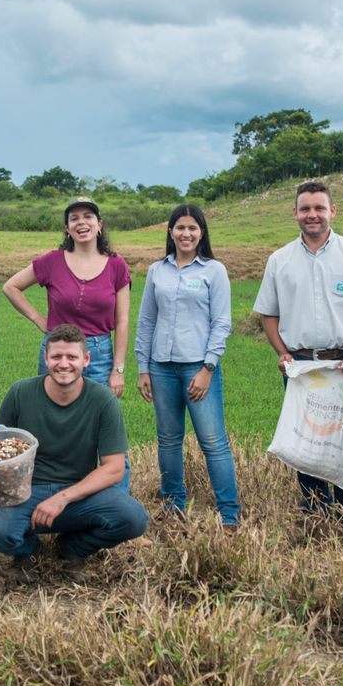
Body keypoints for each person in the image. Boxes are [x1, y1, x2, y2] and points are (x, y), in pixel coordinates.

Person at [0, 325, 149, 582]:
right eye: (56, 356)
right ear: (45, 358)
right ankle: (29, 551)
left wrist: (62, 498)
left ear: (86, 360)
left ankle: (73, 548)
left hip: (78, 494)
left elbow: (115, 468)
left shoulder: (103, 400)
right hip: (25, 492)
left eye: (71, 357)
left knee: (133, 518)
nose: (64, 364)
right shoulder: (21, 393)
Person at [254, 180, 343, 514]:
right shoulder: (279, 260)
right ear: (295, 213)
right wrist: (282, 352)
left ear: (333, 211)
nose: (311, 215)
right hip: (302, 368)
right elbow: (268, 314)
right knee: (306, 444)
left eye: (318, 208)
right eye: (305, 209)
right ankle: (315, 509)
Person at [2, 195, 133, 491]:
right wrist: (40, 321)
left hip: (98, 352)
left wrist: (119, 369)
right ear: (67, 228)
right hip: (57, 352)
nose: (81, 222)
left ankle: (116, 502)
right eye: (74, 218)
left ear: (99, 225)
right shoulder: (52, 261)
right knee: (44, 419)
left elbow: (123, 321)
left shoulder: (116, 265)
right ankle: (35, 491)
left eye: (88, 216)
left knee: (106, 428)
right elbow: (10, 287)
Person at [134, 204, 240, 528]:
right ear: (170, 232)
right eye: (180, 227)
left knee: (213, 440)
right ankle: (172, 504)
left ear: (202, 233)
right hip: (161, 367)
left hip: (198, 367)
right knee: (168, 439)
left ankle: (229, 512)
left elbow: (222, 323)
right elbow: (147, 320)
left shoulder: (213, 271)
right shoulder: (157, 271)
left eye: (193, 228)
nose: (186, 233)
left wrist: (208, 369)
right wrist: (143, 367)